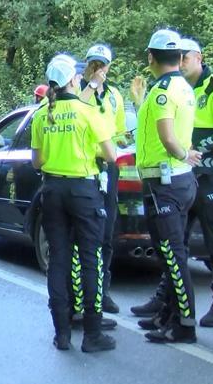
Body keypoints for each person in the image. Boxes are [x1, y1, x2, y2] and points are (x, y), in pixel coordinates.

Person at [134, 38, 213, 329]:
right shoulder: (178, 88)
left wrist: (200, 149)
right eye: (179, 57)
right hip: (182, 174)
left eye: (186, 57)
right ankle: (167, 301)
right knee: (175, 242)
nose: (181, 62)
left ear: (199, 57)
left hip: (211, 175)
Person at [30, 56, 117, 352]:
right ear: (72, 80)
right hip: (84, 190)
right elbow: (110, 155)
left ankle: (62, 332)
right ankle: (92, 334)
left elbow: (37, 161)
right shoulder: (87, 110)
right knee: (90, 259)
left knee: (58, 260)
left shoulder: (42, 113)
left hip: (52, 189)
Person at [134, 29, 202, 343]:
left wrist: (182, 154)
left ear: (151, 57)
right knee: (173, 252)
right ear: (178, 57)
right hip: (178, 181)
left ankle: (184, 325)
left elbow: (166, 135)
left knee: (173, 255)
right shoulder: (184, 87)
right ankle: (169, 315)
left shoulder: (163, 91)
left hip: (166, 181)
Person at [80, 44, 129, 315]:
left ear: (109, 67)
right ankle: (85, 295)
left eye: (102, 64)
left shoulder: (114, 96)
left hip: (108, 167)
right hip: (84, 166)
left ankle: (103, 289)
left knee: (107, 231)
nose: (98, 68)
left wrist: (123, 138)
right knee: (87, 233)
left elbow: (119, 132)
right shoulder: (78, 91)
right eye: (93, 63)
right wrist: (91, 86)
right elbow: (78, 110)